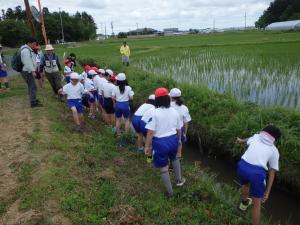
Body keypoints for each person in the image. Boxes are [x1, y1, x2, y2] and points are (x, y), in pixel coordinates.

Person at [236, 125, 281, 225]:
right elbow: (272, 172)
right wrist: (267, 192)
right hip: (256, 173)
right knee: (257, 204)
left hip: (242, 166)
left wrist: (240, 140)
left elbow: (248, 139)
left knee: (245, 185)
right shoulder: (274, 151)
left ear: (263, 132)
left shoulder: (256, 137)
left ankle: (243, 205)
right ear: (275, 139)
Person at [144, 87, 186, 196]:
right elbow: (179, 129)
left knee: (163, 168)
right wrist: (179, 140)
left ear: (157, 100)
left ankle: (170, 193)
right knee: (175, 158)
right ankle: (179, 180)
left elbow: (150, 132)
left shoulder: (155, 113)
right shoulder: (174, 111)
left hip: (160, 143)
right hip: (173, 140)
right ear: (168, 98)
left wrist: (147, 146)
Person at [169, 88, 192, 159]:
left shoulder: (167, 105)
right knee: (179, 143)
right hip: (180, 129)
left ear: (171, 97)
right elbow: (186, 122)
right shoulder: (184, 108)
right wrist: (185, 133)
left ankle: (149, 159)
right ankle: (178, 159)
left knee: (169, 145)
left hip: (169, 128)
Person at [20, 37, 42, 107]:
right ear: (29, 43)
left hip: (28, 71)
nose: (34, 45)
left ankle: (33, 100)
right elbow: (28, 62)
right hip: (28, 71)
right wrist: (33, 71)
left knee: (32, 86)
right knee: (32, 86)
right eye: (33, 44)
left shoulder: (29, 50)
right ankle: (33, 102)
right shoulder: (25, 51)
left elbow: (33, 59)